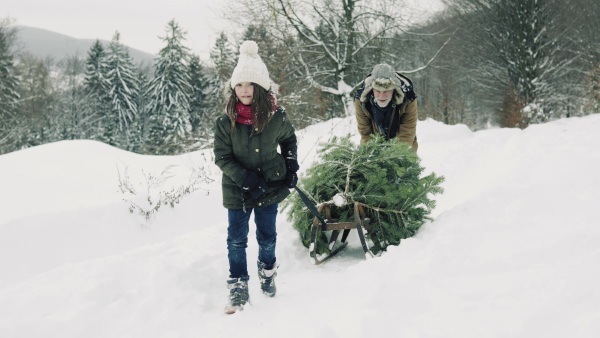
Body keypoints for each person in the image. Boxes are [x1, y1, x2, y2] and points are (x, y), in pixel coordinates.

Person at [213, 40, 299, 314]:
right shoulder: (225, 122)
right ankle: (238, 284)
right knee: (236, 239)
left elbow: (289, 140)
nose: (244, 90)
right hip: (238, 189)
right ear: (233, 88)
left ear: (260, 87)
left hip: (270, 187)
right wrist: (246, 178)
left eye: (250, 84)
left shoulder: (276, 117)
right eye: (239, 84)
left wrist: (290, 165)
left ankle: (268, 271)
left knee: (267, 236)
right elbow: (222, 157)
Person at [354, 63, 418, 151]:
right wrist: (370, 154)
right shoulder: (361, 101)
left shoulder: (408, 99)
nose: (381, 96)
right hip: (375, 142)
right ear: (372, 89)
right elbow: (365, 133)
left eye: (386, 91)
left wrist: (398, 155)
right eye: (377, 91)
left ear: (393, 89)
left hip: (403, 143)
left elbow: (407, 131)